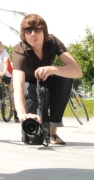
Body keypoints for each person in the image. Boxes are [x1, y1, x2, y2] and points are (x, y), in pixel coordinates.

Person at [12, 14, 82, 145]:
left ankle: (52, 130)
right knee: (33, 129)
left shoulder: (53, 41)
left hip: (48, 81)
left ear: (44, 30)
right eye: (28, 30)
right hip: (29, 85)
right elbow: (18, 86)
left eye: (37, 29)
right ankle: (34, 123)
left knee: (65, 78)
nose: (33, 34)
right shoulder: (20, 50)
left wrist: (52, 69)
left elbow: (77, 71)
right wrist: (21, 113)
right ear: (23, 33)